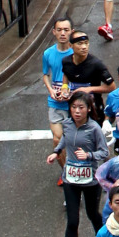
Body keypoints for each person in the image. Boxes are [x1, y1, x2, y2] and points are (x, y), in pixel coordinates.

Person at [47, 90, 108, 237]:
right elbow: (65, 138)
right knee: (72, 221)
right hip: (70, 180)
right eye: (73, 107)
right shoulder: (67, 124)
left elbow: (104, 152)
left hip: (91, 181)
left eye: (81, 107)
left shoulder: (94, 128)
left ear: (88, 109)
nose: (77, 111)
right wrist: (57, 152)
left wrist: (88, 155)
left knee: (93, 214)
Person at [43, 14, 73, 178]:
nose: (63, 33)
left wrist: (71, 92)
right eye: (59, 30)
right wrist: (51, 90)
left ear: (71, 32)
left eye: (66, 30)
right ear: (54, 32)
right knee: (57, 140)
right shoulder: (48, 54)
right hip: (55, 104)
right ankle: (65, 172)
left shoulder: (76, 53)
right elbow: (45, 74)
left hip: (74, 104)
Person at [62, 31, 116, 121]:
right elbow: (66, 74)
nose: (84, 47)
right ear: (70, 45)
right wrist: (64, 88)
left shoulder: (96, 64)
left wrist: (88, 89)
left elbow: (112, 87)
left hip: (93, 109)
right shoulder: (66, 62)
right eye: (79, 44)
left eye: (86, 43)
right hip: (75, 109)